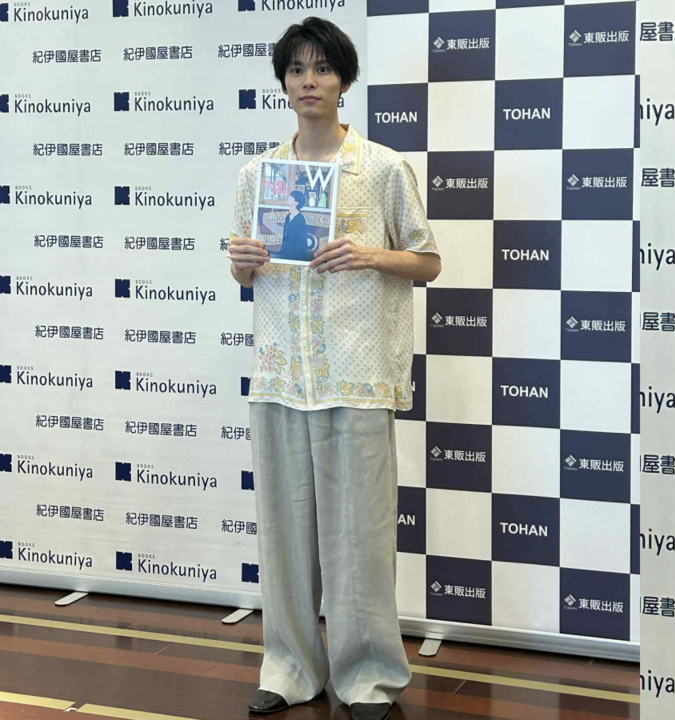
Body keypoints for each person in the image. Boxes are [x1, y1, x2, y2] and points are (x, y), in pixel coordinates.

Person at [225, 16, 441, 720]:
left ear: (344, 80)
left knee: (360, 538)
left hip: (356, 376)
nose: (308, 81)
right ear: (283, 82)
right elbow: (246, 274)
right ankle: (289, 667)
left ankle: (367, 675)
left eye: (321, 68)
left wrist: (368, 254)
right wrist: (242, 263)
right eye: (296, 69)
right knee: (284, 535)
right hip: (282, 376)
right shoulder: (258, 174)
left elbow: (428, 261)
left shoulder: (381, 168)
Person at [278, 190, 312, 261]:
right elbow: (285, 236)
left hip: (295, 255)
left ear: (297, 202)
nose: (289, 197)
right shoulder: (288, 217)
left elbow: (301, 242)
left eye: (292, 197)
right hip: (285, 252)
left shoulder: (300, 219)